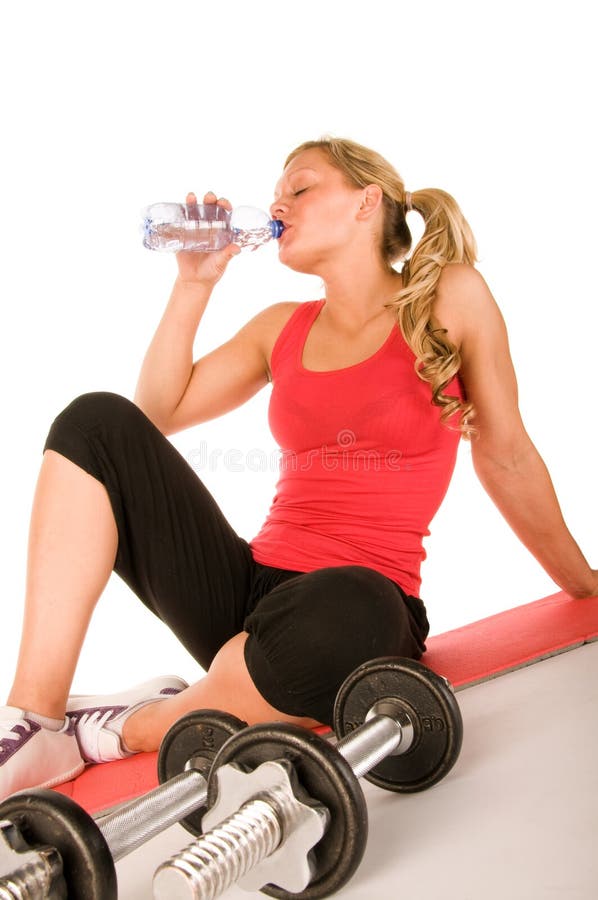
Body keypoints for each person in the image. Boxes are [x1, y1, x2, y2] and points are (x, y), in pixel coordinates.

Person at [1, 138, 596, 801]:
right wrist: (193, 283)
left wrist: (585, 585)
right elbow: (153, 416)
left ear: (367, 201)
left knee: (354, 607)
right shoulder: (279, 327)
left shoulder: (449, 298)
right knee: (94, 422)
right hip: (249, 599)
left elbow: (505, 451)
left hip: (355, 608)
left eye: (300, 187)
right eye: (278, 191)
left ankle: (137, 723)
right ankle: (36, 719)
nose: (278, 202)